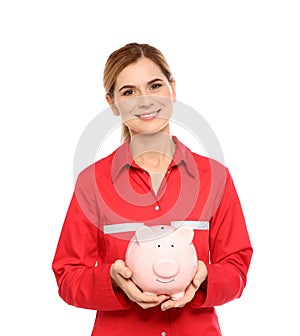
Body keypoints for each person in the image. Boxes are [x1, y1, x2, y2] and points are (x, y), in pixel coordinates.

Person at [52, 42, 253, 335]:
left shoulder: (215, 177)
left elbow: (237, 266)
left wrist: (205, 278)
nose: (144, 101)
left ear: (172, 89)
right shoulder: (92, 182)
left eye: (155, 85)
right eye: (129, 92)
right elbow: (67, 276)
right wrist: (111, 280)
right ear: (112, 104)